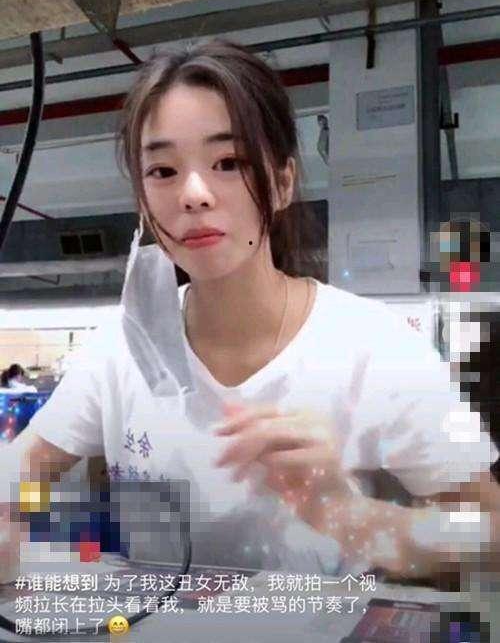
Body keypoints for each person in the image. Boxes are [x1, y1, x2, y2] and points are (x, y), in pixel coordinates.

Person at [1, 39, 499, 584]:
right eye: (162, 170)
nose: (193, 194)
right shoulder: (121, 349)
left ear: (282, 183)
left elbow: (490, 539)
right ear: (143, 200)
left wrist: (352, 516)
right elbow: (27, 477)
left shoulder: (377, 349)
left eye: (229, 162)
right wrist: (15, 514)